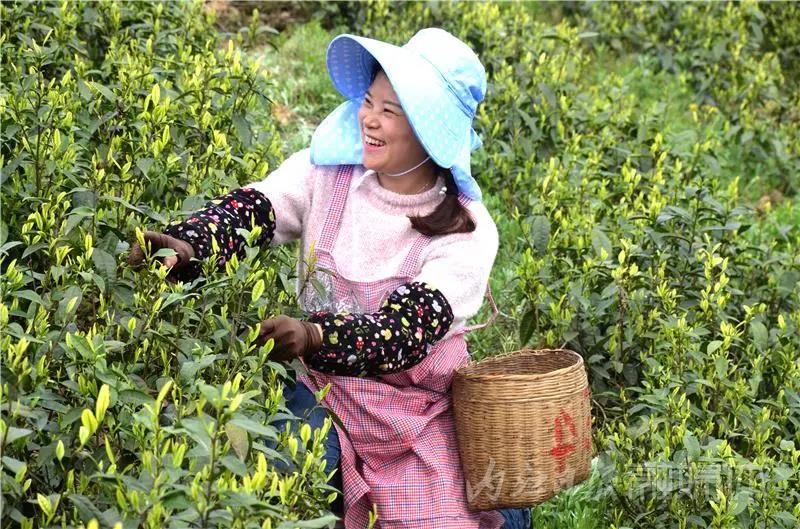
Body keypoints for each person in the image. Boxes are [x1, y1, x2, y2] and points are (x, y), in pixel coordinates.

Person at [129, 28, 531, 529]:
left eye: (391, 111)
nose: (369, 119)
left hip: (415, 413)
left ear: (431, 131)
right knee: (290, 466)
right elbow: (256, 209)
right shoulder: (328, 174)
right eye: (368, 102)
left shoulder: (467, 231)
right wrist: (190, 245)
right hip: (322, 386)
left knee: (468, 513)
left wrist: (315, 335)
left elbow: (404, 332)